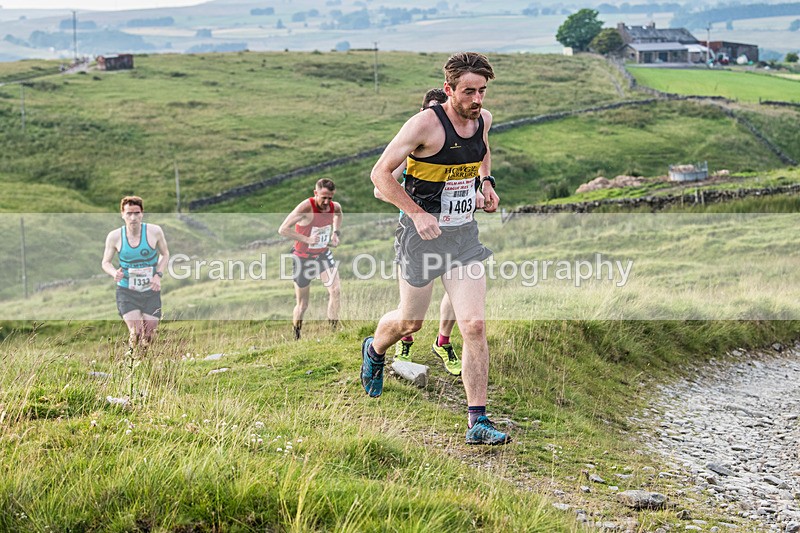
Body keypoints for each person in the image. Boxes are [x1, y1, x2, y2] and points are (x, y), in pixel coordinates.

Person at [361, 52, 509, 445]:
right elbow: (379, 175)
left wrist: (486, 184)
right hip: (421, 238)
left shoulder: (484, 119)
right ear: (448, 89)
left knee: (474, 325)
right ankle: (375, 349)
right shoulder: (425, 124)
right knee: (410, 323)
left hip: (463, 237)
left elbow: (483, 151)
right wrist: (415, 213)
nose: (477, 100)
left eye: (482, 91)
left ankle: (477, 421)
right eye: (468, 92)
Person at [373, 87, 466, 376]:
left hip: (456, 228)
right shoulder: (414, 140)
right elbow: (379, 188)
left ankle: (444, 341)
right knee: (412, 313)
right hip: (418, 231)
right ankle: (405, 338)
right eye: (433, 110)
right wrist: (416, 208)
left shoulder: (458, 139)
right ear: (423, 111)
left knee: (458, 289)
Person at [101, 195, 170, 354]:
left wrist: (158, 275)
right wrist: (114, 273)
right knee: (136, 332)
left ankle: (145, 361)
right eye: (129, 213)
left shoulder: (154, 231)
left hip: (150, 290)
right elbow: (105, 262)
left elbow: (165, 254)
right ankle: (132, 360)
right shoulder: (115, 236)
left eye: (136, 213)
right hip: (126, 290)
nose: (133, 217)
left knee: (149, 333)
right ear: (122, 215)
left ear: (142, 214)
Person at [278, 178, 342, 341]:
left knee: (335, 291)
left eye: (330, 197)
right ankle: (296, 337)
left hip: (322, 255)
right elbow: (283, 229)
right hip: (303, 258)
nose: (327, 202)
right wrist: (307, 240)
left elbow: (338, 215)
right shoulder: (306, 207)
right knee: (303, 304)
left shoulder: (334, 207)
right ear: (315, 193)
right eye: (323, 197)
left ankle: (334, 333)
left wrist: (336, 233)